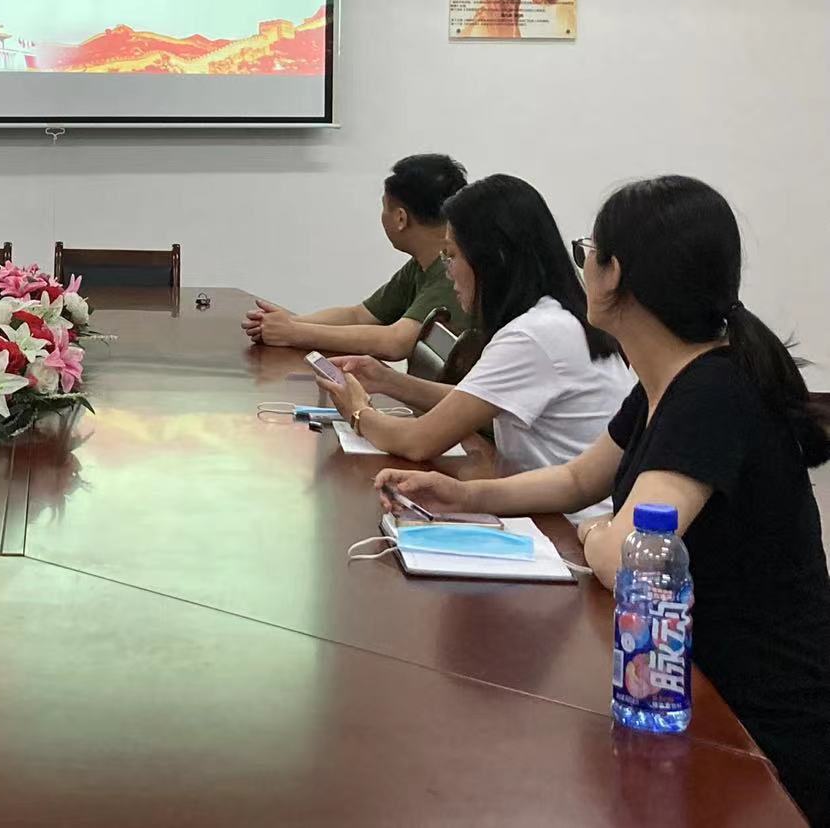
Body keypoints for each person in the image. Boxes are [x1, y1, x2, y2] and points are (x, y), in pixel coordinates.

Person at [374, 176, 830, 825]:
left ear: (618, 275)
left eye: (588, 250)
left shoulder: (713, 392)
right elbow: (576, 480)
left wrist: (595, 534)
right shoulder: (665, 381)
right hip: (681, 681)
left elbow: (631, 556)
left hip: (755, 725)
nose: (581, 264)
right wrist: (464, 493)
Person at [314, 174, 633, 488]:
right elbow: (475, 399)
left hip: (562, 517)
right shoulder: (554, 318)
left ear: (493, 259)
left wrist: (358, 412)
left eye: (451, 256)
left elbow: (418, 442)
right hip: (548, 502)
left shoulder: (533, 335)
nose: (448, 272)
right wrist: (387, 380)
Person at [244, 154, 472, 358]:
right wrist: (286, 323)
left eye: (384, 207)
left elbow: (395, 342)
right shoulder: (422, 264)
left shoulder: (454, 271)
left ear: (401, 219)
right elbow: (360, 315)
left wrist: (294, 332)